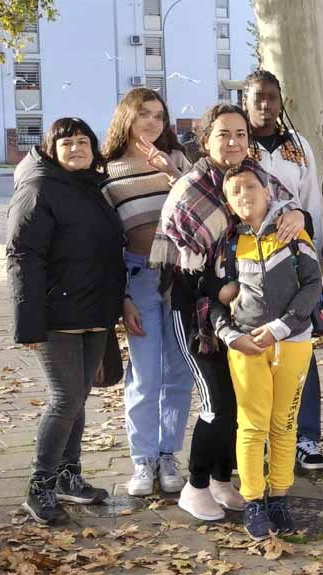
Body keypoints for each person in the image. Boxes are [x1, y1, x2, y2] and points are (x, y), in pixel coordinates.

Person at [150, 103, 307, 521]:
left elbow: (290, 210)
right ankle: (195, 484)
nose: (234, 142)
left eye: (240, 134)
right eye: (223, 134)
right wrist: (219, 291)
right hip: (197, 313)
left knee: (241, 402)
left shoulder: (260, 179)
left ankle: (222, 478)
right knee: (218, 402)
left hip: (244, 315)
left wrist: (295, 213)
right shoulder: (191, 189)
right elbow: (178, 270)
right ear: (205, 141)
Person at [7, 117, 126, 524]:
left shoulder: (93, 188)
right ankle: (39, 485)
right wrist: (28, 324)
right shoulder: (39, 188)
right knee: (65, 399)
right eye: (67, 143)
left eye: (83, 142)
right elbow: (22, 256)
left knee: (79, 399)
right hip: (57, 315)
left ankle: (68, 476)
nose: (76, 148)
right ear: (51, 149)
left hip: (94, 313)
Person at [206, 160, 320, 540]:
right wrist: (228, 335)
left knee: (284, 424)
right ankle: (254, 501)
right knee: (252, 426)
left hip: (292, 343)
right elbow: (217, 300)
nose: (244, 196)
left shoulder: (291, 232)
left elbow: (312, 287)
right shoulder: (230, 243)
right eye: (234, 192)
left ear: (267, 191)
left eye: (250, 187)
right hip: (246, 346)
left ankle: (279, 498)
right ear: (228, 201)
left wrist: (280, 328)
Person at [100, 88, 194, 497]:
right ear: (127, 119)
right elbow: (104, 242)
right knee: (145, 373)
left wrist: (172, 175)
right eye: (145, 115)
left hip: (181, 275)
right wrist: (121, 296)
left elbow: (202, 203)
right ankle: (143, 459)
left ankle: (168, 455)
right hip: (138, 276)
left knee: (178, 371)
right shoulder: (108, 172)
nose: (153, 123)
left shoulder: (177, 162)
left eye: (159, 116)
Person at [242, 69, 323, 471]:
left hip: (294, 261)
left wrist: (306, 227)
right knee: (254, 350)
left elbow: (312, 202)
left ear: (282, 102)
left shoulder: (298, 147)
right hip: (252, 262)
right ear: (246, 101)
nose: (265, 105)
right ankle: (257, 439)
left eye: (271, 97)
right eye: (257, 97)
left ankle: (305, 437)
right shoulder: (239, 145)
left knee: (298, 348)